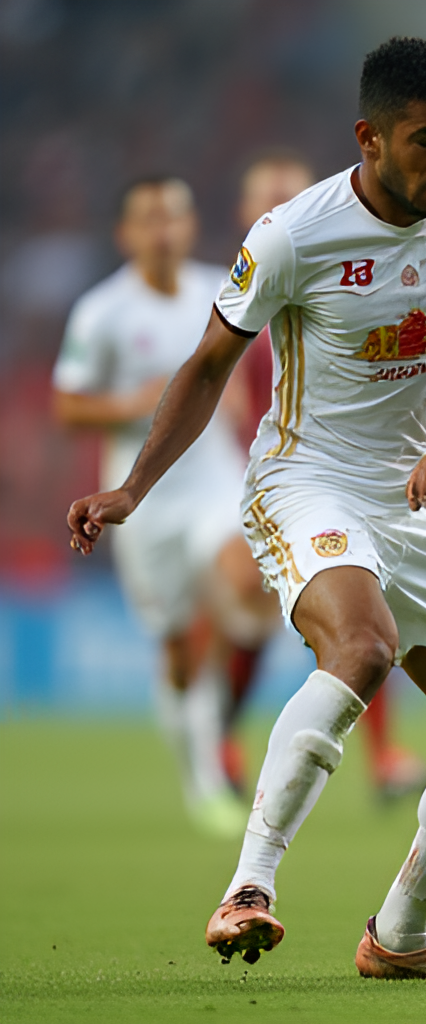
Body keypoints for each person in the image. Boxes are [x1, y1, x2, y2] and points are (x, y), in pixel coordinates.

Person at [66, 37, 426, 979]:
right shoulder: (295, 234)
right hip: (306, 477)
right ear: (369, 139)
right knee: (363, 645)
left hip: (414, 490)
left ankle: (401, 936)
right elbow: (210, 364)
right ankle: (249, 885)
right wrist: (132, 486)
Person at [53, 177, 279, 837]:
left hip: (215, 484)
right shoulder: (102, 313)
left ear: (188, 226)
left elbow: (235, 359)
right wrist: (132, 403)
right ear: (126, 234)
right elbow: (67, 405)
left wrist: (230, 389)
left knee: (249, 581)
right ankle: (201, 775)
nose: (163, 230)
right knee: (180, 651)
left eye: (174, 216)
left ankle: (222, 724)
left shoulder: (221, 286)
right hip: (145, 504)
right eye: (149, 218)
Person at [232, 152, 426, 799]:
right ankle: (219, 739)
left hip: (337, 489)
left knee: (366, 624)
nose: (282, 209)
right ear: (249, 215)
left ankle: (382, 757)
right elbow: (227, 401)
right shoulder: (241, 300)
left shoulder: (341, 288)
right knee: (251, 623)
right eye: (270, 199)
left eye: (293, 196)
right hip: (268, 485)